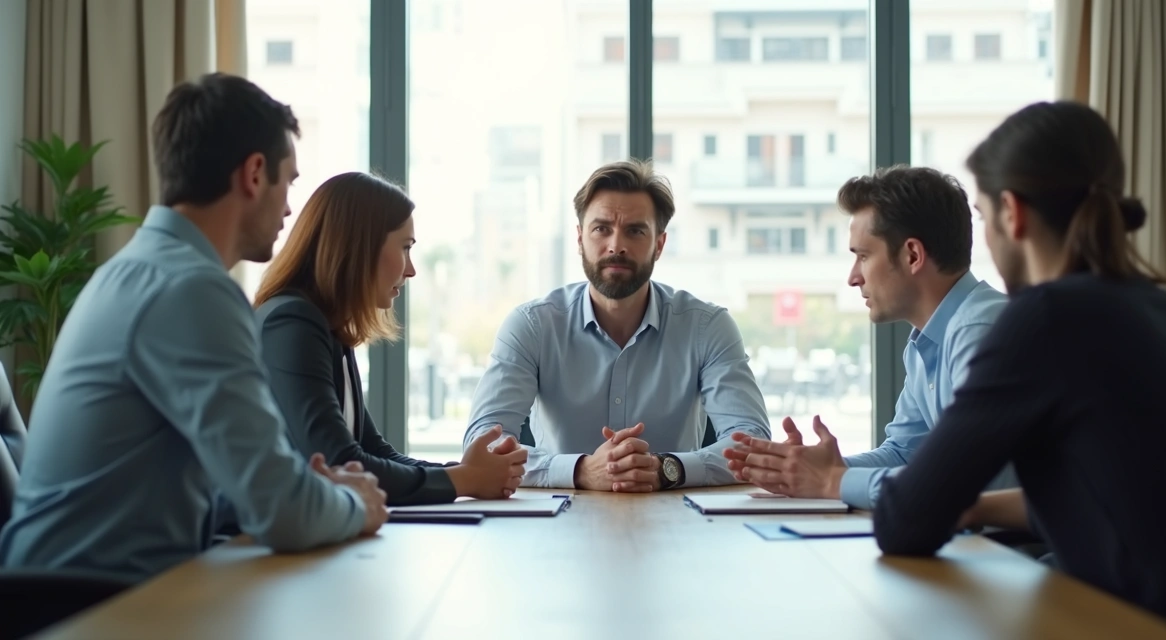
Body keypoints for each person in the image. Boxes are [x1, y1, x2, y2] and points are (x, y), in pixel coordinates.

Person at [0, 73, 388, 583]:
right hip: (94, 610)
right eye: (288, 182)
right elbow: (279, 513)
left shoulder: (132, 270)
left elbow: (205, 488)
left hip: (82, 592)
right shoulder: (191, 289)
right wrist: (352, 503)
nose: (290, 208)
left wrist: (307, 489)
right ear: (253, 174)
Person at [870, 101, 1166, 637]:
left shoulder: (1044, 319)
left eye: (984, 217)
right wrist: (968, 504)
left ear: (1014, 213)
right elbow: (1120, 500)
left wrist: (941, 498)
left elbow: (904, 520)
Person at [463, 159, 770, 491]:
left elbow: (752, 443)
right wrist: (580, 470)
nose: (616, 245)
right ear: (580, 238)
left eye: (635, 231)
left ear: (659, 244)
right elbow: (482, 444)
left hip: (678, 521)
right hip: (556, 521)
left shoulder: (707, 327)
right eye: (601, 229)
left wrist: (666, 468)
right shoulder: (532, 326)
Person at [724, 166, 1016, 509]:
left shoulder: (979, 334)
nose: (853, 278)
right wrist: (812, 470)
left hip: (1027, 556)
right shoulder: (927, 340)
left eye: (863, 256)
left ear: (912, 255)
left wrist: (832, 481)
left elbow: (966, 481)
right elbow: (905, 454)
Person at [252, 171, 527, 505]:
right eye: (405, 248)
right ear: (360, 247)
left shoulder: (329, 327)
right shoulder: (292, 322)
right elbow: (341, 464)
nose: (411, 270)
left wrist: (467, 472)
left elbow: (372, 450)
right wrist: (465, 479)